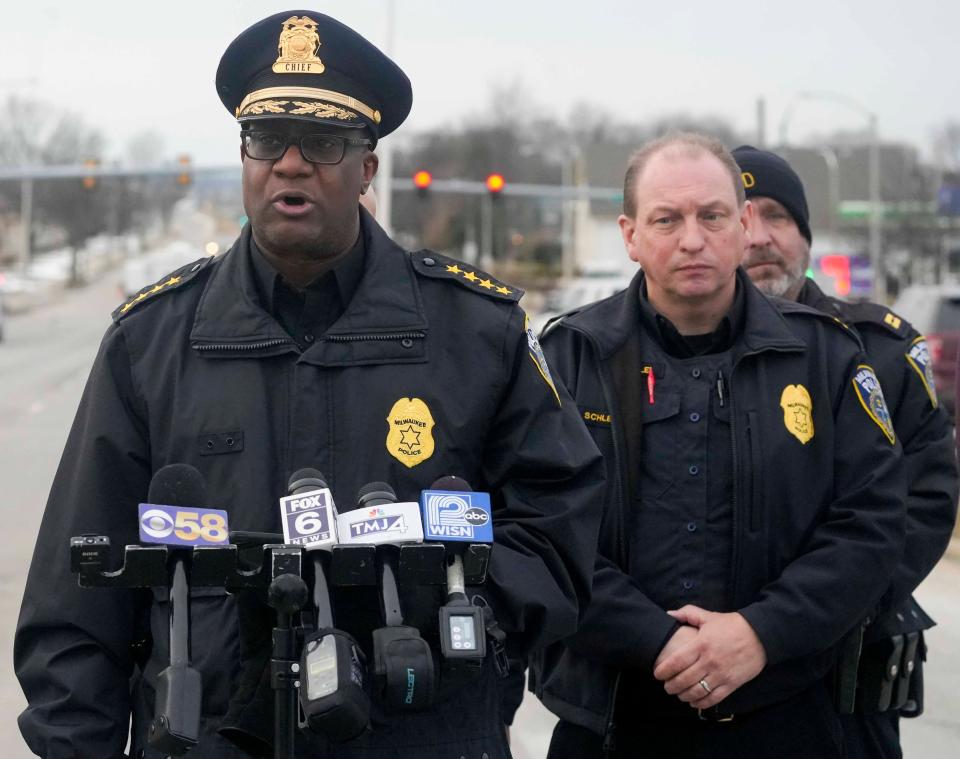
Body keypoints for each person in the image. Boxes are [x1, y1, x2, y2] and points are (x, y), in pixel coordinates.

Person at [15, 10, 604, 759]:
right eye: (267, 139)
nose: (291, 164)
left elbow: (562, 524)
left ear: (367, 168)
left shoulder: (475, 332)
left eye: (323, 141)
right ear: (244, 156)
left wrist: (458, 608)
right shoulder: (150, 341)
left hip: (421, 732)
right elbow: (76, 594)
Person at [528, 132, 906, 759]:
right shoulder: (572, 358)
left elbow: (871, 523)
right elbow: (541, 528)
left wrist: (761, 633)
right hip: (613, 718)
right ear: (629, 234)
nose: (693, 239)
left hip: (786, 712)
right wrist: (656, 640)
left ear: (743, 223)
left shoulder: (826, 357)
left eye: (712, 216)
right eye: (666, 219)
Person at [734, 144, 958, 759]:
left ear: (806, 235)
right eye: (740, 215)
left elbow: (926, 501)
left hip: (844, 683)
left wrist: (804, 616)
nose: (759, 237)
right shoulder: (668, 354)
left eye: (778, 216)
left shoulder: (879, 351)